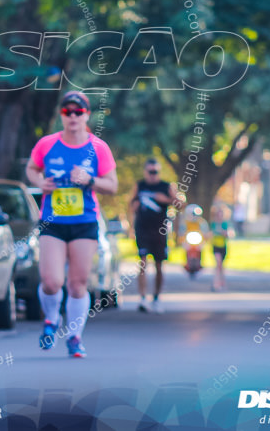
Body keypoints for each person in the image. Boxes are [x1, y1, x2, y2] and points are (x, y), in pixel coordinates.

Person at [25, 90, 118, 358]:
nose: (73, 116)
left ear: (87, 115)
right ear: (62, 116)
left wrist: (90, 180)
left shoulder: (98, 147)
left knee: (77, 284)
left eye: (79, 112)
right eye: (68, 112)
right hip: (52, 221)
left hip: (85, 222)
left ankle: (75, 336)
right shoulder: (47, 144)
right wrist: (39, 182)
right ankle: (51, 319)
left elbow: (113, 185)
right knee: (52, 282)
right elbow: (32, 169)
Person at [128, 158, 177, 313]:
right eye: (150, 172)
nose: (153, 175)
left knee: (159, 265)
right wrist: (133, 209)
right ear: (145, 171)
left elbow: (180, 205)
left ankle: (156, 297)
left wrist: (167, 200)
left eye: (155, 172)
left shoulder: (165, 186)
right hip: (142, 230)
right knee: (142, 263)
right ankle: (142, 298)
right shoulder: (140, 185)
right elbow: (130, 204)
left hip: (160, 231)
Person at [210, 205, 230, 291]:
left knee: (221, 266)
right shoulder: (213, 224)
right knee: (218, 264)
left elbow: (227, 234)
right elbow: (209, 234)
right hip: (215, 246)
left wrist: (224, 233)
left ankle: (222, 282)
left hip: (223, 246)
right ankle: (216, 283)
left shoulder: (225, 224)